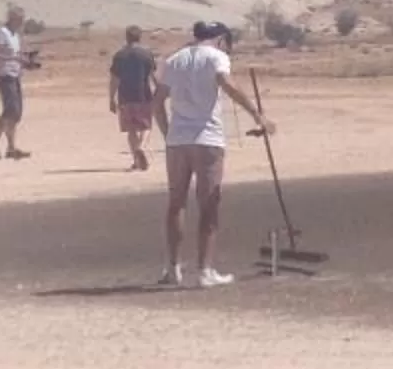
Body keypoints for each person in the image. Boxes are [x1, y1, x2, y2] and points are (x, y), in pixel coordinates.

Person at [153, 21, 270, 288]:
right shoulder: (217, 57)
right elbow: (226, 83)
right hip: (207, 139)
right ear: (220, 40)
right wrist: (256, 113)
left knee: (176, 203)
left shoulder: (175, 59)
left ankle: (172, 268)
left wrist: (168, 131)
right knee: (208, 204)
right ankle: (205, 270)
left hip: (178, 141)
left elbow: (156, 101)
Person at [106, 25, 161, 171]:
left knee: (131, 129)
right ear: (139, 37)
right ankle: (141, 147)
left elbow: (114, 79)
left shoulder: (120, 55)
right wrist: (160, 90)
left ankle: (136, 159)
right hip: (143, 95)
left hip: (125, 96)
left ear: (126, 37)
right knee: (146, 126)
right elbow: (153, 75)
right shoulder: (146, 54)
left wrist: (111, 98)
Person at [0, 6, 35, 160]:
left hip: (15, 74)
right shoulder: (2, 32)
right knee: (10, 110)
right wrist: (13, 59)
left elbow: (16, 53)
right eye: (19, 19)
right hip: (5, 74)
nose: (21, 22)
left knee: (15, 113)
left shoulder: (15, 35)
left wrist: (26, 62)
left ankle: (11, 147)